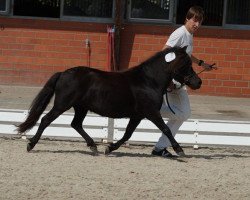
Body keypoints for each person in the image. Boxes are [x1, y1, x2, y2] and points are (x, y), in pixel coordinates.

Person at [152, 6, 213, 157]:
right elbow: (163, 53)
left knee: (183, 114)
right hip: (172, 81)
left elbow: (186, 55)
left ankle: (159, 148)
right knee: (184, 114)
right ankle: (150, 110)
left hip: (179, 81)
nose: (197, 25)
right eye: (194, 20)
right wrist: (166, 80)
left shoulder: (189, 34)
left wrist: (201, 63)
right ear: (187, 18)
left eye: (200, 22)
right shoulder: (179, 33)